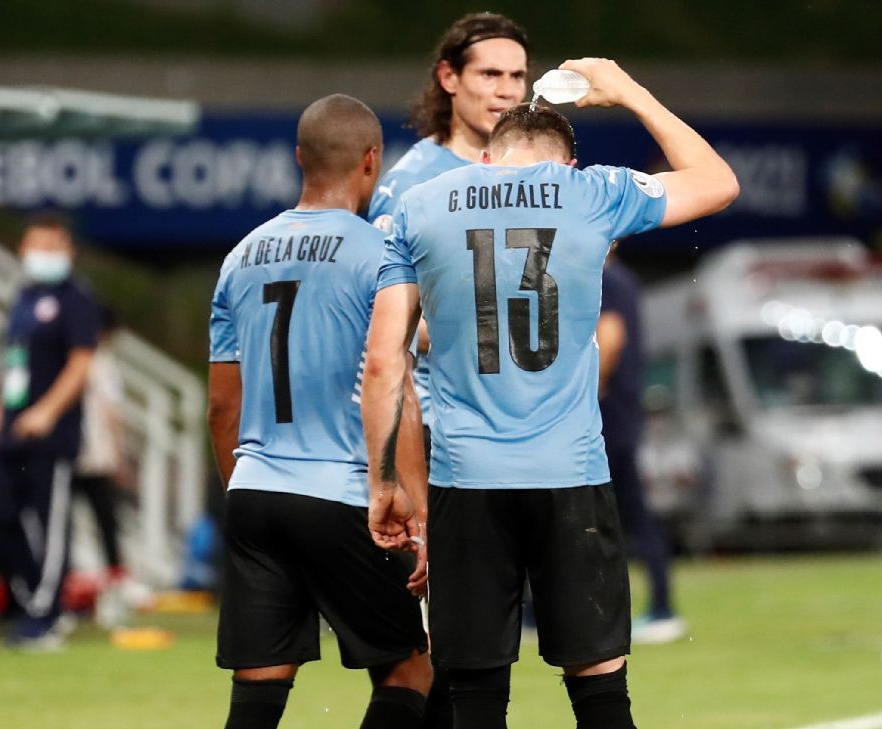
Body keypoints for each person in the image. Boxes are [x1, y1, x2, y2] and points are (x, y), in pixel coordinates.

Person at [363, 59, 738, 729]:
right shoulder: (592, 193)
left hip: (465, 478)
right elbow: (718, 182)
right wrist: (626, 90)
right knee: (599, 692)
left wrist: (385, 481)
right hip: (571, 474)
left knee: (474, 694)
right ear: (565, 165)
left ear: (482, 159)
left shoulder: (421, 205)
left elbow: (385, 360)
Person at [208, 94, 432, 729]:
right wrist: (417, 516)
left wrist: (245, 491)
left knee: (260, 683)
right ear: (372, 162)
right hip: (343, 493)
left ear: (299, 158)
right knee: (411, 666)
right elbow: (396, 391)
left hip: (254, 491)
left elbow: (223, 405)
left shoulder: (239, 257)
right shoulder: (382, 255)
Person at [369, 12, 530, 451]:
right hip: (442, 432)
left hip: (525, 432)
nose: (508, 90)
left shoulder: (536, 178)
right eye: (490, 74)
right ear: (449, 77)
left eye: (517, 76)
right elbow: (382, 318)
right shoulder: (410, 185)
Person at [0, 213, 98, 650]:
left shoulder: (76, 299)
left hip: (52, 433)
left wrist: (47, 411)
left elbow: (82, 363)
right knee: (3, 517)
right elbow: (11, 361)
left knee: (49, 524)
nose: (40, 255)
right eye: (34, 246)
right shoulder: (23, 297)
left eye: (51, 246)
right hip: (12, 428)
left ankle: (47, 614)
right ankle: (30, 601)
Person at [598, 253, 687, 644]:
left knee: (621, 516)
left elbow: (610, 339)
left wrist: (586, 392)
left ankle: (662, 608)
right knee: (625, 517)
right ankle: (659, 606)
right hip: (621, 416)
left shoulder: (609, 281)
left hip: (608, 418)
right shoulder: (624, 280)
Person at [72, 305, 128, 586]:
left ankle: (111, 580)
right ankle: (109, 581)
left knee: (101, 521)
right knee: (105, 521)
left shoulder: (82, 358)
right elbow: (111, 414)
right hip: (90, 453)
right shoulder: (98, 360)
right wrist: (119, 455)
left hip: (81, 453)